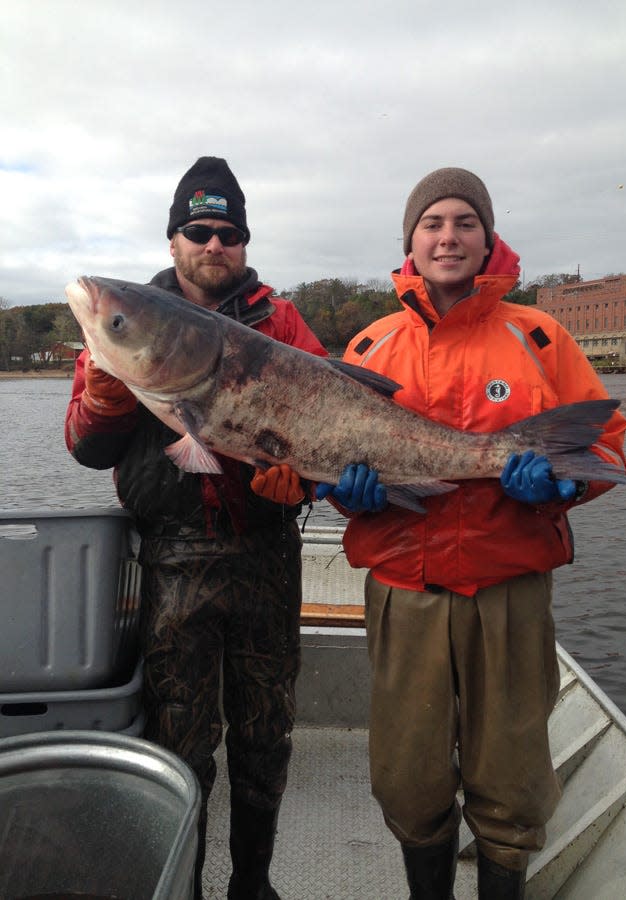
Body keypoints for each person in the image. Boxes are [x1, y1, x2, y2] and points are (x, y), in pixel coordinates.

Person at [315, 167, 626, 899]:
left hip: (508, 589)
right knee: (407, 775)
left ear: (487, 238)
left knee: (512, 775)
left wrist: (565, 483)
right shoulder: (367, 347)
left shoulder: (540, 335)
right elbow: (325, 461)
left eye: (463, 221)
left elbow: (606, 445)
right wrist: (352, 499)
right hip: (403, 589)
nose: (447, 236)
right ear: (410, 241)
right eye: (432, 223)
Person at [65, 156, 327, 900]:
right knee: (180, 739)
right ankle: (185, 887)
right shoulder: (127, 320)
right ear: (174, 238)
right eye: (199, 230)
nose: (215, 245)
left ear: (242, 244)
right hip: (173, 561)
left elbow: (323, 434)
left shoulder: (282, 322)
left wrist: (296, 484)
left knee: (264, 734)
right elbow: (87, 448)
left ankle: (252, 884)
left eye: (228, 233)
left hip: (266, 555)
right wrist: (110, 392)